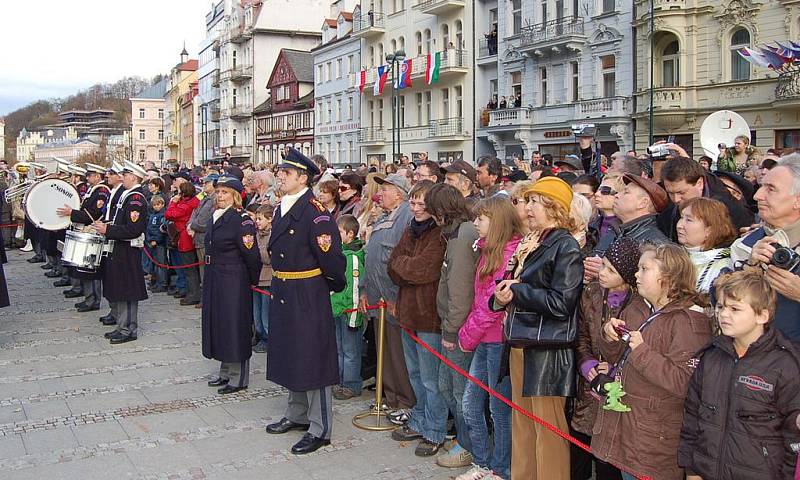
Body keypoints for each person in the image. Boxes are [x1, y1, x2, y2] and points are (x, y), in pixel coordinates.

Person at [593, 243, 713, 480]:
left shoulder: (688, 322)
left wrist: (641, 351)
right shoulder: (637, 307)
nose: (636, 275)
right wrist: (609, 337)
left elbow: (684, 382)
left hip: (655, 437)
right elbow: (617, 357)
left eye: (644, 269)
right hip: (627, 427)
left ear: (668, 277)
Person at [491, 177, 582, 480]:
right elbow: (510, 283)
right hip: (522, 342)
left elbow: (562, 303)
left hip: (547, 351)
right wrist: (501, 296)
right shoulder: (534, 241)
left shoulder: (564, 245)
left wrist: (518, 291)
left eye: (534, 202)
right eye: (527, 201)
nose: (527, 208)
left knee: (548, 431)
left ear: (554, 207)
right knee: (523, 425)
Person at [678, 269, 800, 480]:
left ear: (762, 315)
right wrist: (692, 470)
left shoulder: (785, 365)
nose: (724, 315)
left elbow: (793, 436)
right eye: (721, 307)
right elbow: (692, 418)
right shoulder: (711, 357)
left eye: (735, 309)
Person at [265, 148, 346, 455]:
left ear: (302, 178)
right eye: (280, 172)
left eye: (286, 173)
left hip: (307, 291)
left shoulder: (315, 213)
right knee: (291, 353)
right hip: (285, 289)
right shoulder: (281, 208)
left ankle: (320, 427)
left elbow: (333, 262)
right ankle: (297, 414)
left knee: (313, 358)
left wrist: (322, 288)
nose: (280, 176)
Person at [456, 196, 523, 480]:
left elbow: (492, 305)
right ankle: (483, 462)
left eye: (480, 219)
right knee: (471, 404)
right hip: (483, 338)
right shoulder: (488, 251)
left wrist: (467, 334)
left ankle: (500, 468)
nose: (475, 223)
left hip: (497, 341)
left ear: (495, 222)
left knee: (498, 409)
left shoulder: (509, 254)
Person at [571, 237, 647, 480]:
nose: (602, 273)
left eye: (610, 270)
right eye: (602, 265)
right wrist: (587, 364)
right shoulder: (591, 293)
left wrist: (614, 368)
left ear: (627, 275)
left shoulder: (639, 304)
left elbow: (637, 346)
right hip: (587, 387)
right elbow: (580, 334)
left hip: (618, 393)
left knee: (608, 459)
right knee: (579, 450)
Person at [387, 180, 448, 455]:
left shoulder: (439, 234)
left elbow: (425, 269)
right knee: (414, 374)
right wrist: (404, 269)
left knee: (430, 379)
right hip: (408, 311)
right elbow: (394, 264)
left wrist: (404, 269)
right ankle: (420, 418)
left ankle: (435, 429)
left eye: (422, 203)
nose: (416, 208)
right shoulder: (410, 229)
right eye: (412, 202)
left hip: (429, 315)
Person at [426, 183, 481, 469]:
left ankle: (468, 445)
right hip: (457, 324)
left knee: (458, 391)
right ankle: (464, 438)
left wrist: (451, 330)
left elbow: (460, 291)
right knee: (448, 387)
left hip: (460, 329)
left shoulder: (461, 238)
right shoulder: (458, 233)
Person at [361, 172, 416, 424]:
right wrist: (364, 289)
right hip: (377, 298)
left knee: (397, 355)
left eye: (386, 189)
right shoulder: (383, 215)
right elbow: (371, 256)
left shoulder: (406, 215)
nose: (379, 193)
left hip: (393, 299)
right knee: (384, 352)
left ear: (399, 193)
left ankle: (404, 402)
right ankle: (391, 397)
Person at [202, 175, 262, 394]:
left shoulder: (242, 220)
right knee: (219, 324)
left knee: (234, 326)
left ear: (236, 196)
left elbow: (252, 256)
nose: (220, 196)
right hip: (215, 276)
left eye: (225, 192)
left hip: (233, 279)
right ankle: (225, 371)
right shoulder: (215, 216)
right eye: (218, 192)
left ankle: (238, 378)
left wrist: (249, 281)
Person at [731, 154, 800, 341]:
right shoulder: (744, 245)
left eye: (771, 189)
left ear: (798, 201)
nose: (757, 196)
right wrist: (749, 271)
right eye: (761, 186)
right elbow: (719, 302)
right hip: (754, 361)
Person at [92, 161, 149, 344]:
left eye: (124, 175)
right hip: (120, 249)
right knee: (122, 289)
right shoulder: (129, 195)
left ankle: (128, 329)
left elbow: (133, 229)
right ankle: (122, 326)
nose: (121, 178)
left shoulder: (136, 199)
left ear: (133, 177)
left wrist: (107, 231)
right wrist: (106, 226)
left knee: (128, 291)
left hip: (127, 250)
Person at [585, 174, 669, 281]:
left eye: (626, 192)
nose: (617, 195)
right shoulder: (616, 231)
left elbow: (653, 285)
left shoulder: (655, 243)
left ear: (643, 203)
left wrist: (607, 272)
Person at [56, 163, 111, 312]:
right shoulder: (93, 190)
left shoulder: (102, 192)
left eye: (90, 175)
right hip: (85, 232)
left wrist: (72, 213)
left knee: (90, 269)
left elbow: (93, 214)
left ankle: (93, 300)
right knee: (83, 268)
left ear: (98, 176)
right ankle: (88, 297)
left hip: (92, 232)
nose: (87, 178)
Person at [658, 157, 754, 241]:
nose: (675, 199)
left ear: (700, 183)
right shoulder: (667, 212)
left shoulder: (729, 209)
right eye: (670, 193)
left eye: (681, 192)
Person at [330, 214, 366, 400]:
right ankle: (340, 380)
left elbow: (355, 288)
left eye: (339, 233)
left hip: (349, 312)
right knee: (339, 348)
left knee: (351, 351)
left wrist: (354, 316)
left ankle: (351, 384)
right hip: (338, 309)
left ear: (350, 234)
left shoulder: (351, 257)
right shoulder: (339, 253)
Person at [676, 197, 736, 293]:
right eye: (682, 217)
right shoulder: (673, 256)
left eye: (689, 220)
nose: (679, 225)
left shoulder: (723, 267)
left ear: (709, 230)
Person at [165, 181, 201, 306]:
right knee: (191, 269)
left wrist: (173, 202)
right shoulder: (194, 201)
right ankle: (191, 292)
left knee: (189, 269)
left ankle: (193, 294)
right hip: (186, 236)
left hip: (185, 238)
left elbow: (169, 214)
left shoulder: (185, 205)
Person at [188, 173, 218, 282]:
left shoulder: (216, 199)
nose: (204, 184)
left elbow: (208, 221)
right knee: (202, 270)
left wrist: (193, 226)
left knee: (206, 270)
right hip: (198, 238)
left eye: (207, 182)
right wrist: (190, 225)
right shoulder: (204, 197)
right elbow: (195, 211)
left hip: (205, 238)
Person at [252, 204, 274, 354]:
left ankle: (268, 339)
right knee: (256, 312)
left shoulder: (272, 235)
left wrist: (256, 250)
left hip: (267, 278)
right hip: (256, 278)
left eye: (260, 219)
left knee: (266, 314)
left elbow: (268, 258)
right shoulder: (256, 234)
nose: (257, 222)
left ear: (270, 219)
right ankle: (259, 335)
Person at [145, 195, 168, 293]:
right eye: (154, 205)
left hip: (159, 243)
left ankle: (162, 283)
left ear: (162, 204)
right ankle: (157, 282)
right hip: (152, 242)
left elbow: (161, 230)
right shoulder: (153, 215)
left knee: (161, 264)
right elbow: (150, 229)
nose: (157, 207)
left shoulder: (162, 216)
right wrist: (150, 239)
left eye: (158, 205)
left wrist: (156, 240)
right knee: (155, 264)